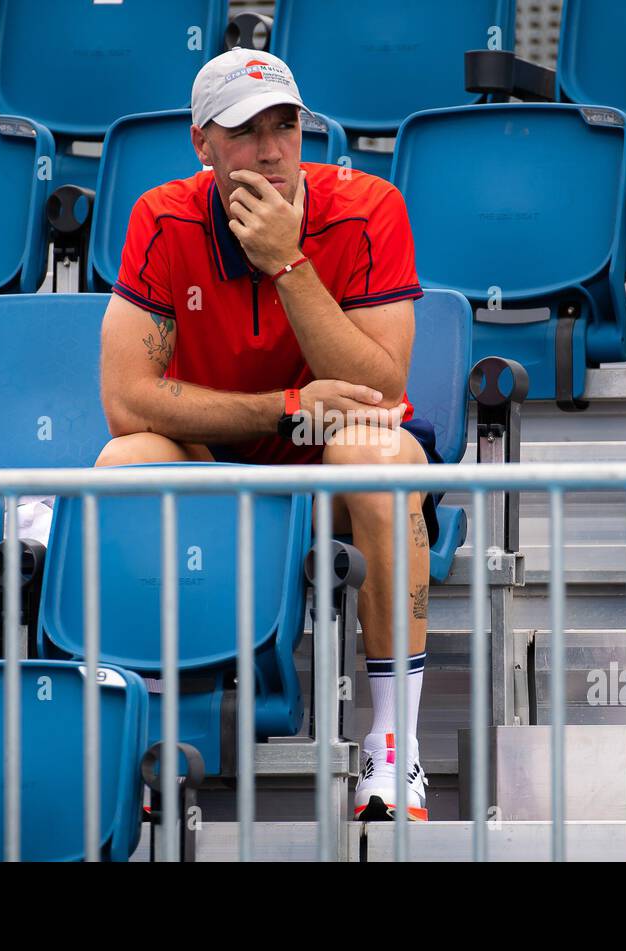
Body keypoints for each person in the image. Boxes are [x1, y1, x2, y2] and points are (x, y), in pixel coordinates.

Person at [96, 47, 436, 820]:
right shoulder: (162, 215)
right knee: (127, 458)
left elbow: (381, 391)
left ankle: (394, 750)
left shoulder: (369, 204)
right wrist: (285, 405)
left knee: (375, 450)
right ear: (202, 144)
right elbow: (127, 400)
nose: (274, 149)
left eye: (287, 126)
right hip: (221, 470)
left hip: (335, 472)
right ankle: (150, 736)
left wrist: (290, 265)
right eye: (247, 132)